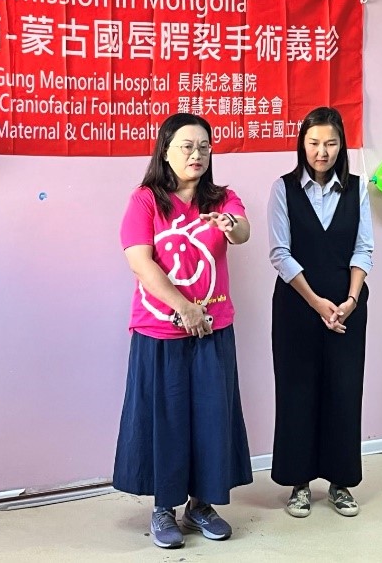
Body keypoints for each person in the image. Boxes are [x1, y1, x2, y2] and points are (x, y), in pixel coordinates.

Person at [112, 113, 253, 549]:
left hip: (213, 328)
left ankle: (200, 505)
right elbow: (140, 261)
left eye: (204, 147)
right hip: (160, 330)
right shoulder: (145, 200)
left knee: (211, 419)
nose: (197, 154)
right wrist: (184, 308)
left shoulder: (222, 198)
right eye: (187, 146)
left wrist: (232, 226)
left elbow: (242, 232)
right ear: (166, 151)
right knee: (166, 421)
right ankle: (163, 509)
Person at [267, 106, 373, 518]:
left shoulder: (357, 189)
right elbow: (280, 253)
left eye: (330, 143)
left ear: (341, 144)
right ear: (302, 144)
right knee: (297, 392)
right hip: (297, 307)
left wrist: (351, 300)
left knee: (344, 392)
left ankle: (340, 483)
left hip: (347, 308)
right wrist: (316, 302)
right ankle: (299, 483)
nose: (322, 152)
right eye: (314, 143)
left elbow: (363, 249)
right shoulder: (284, 188)